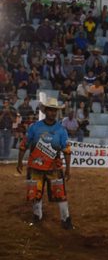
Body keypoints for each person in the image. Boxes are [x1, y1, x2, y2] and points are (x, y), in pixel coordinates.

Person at [16, 97, 73, 229]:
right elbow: (24, 145)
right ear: (45, 111)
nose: (53, 113)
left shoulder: (61, 130)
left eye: (55, 110)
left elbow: (67, 150)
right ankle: (37, 215)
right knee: (36, 194)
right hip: (35, 167)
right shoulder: (35, 127)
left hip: (54, 168)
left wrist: (68, 169)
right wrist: (19, 162)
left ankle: (66, 218)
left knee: (60, 194)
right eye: (51, 110)